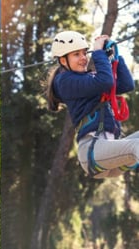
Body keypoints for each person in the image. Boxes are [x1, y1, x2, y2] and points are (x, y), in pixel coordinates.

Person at [46, 30, 137, 178]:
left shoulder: (89, 80)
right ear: (63, 60)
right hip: (93, 151)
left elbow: (126, 85)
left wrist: (114, 56)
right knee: (136, 146)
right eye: (76, 54)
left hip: (108, 153)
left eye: (84, 53)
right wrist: (98, 52)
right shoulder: (64, 82)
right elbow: (105, 81)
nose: (83, 58)